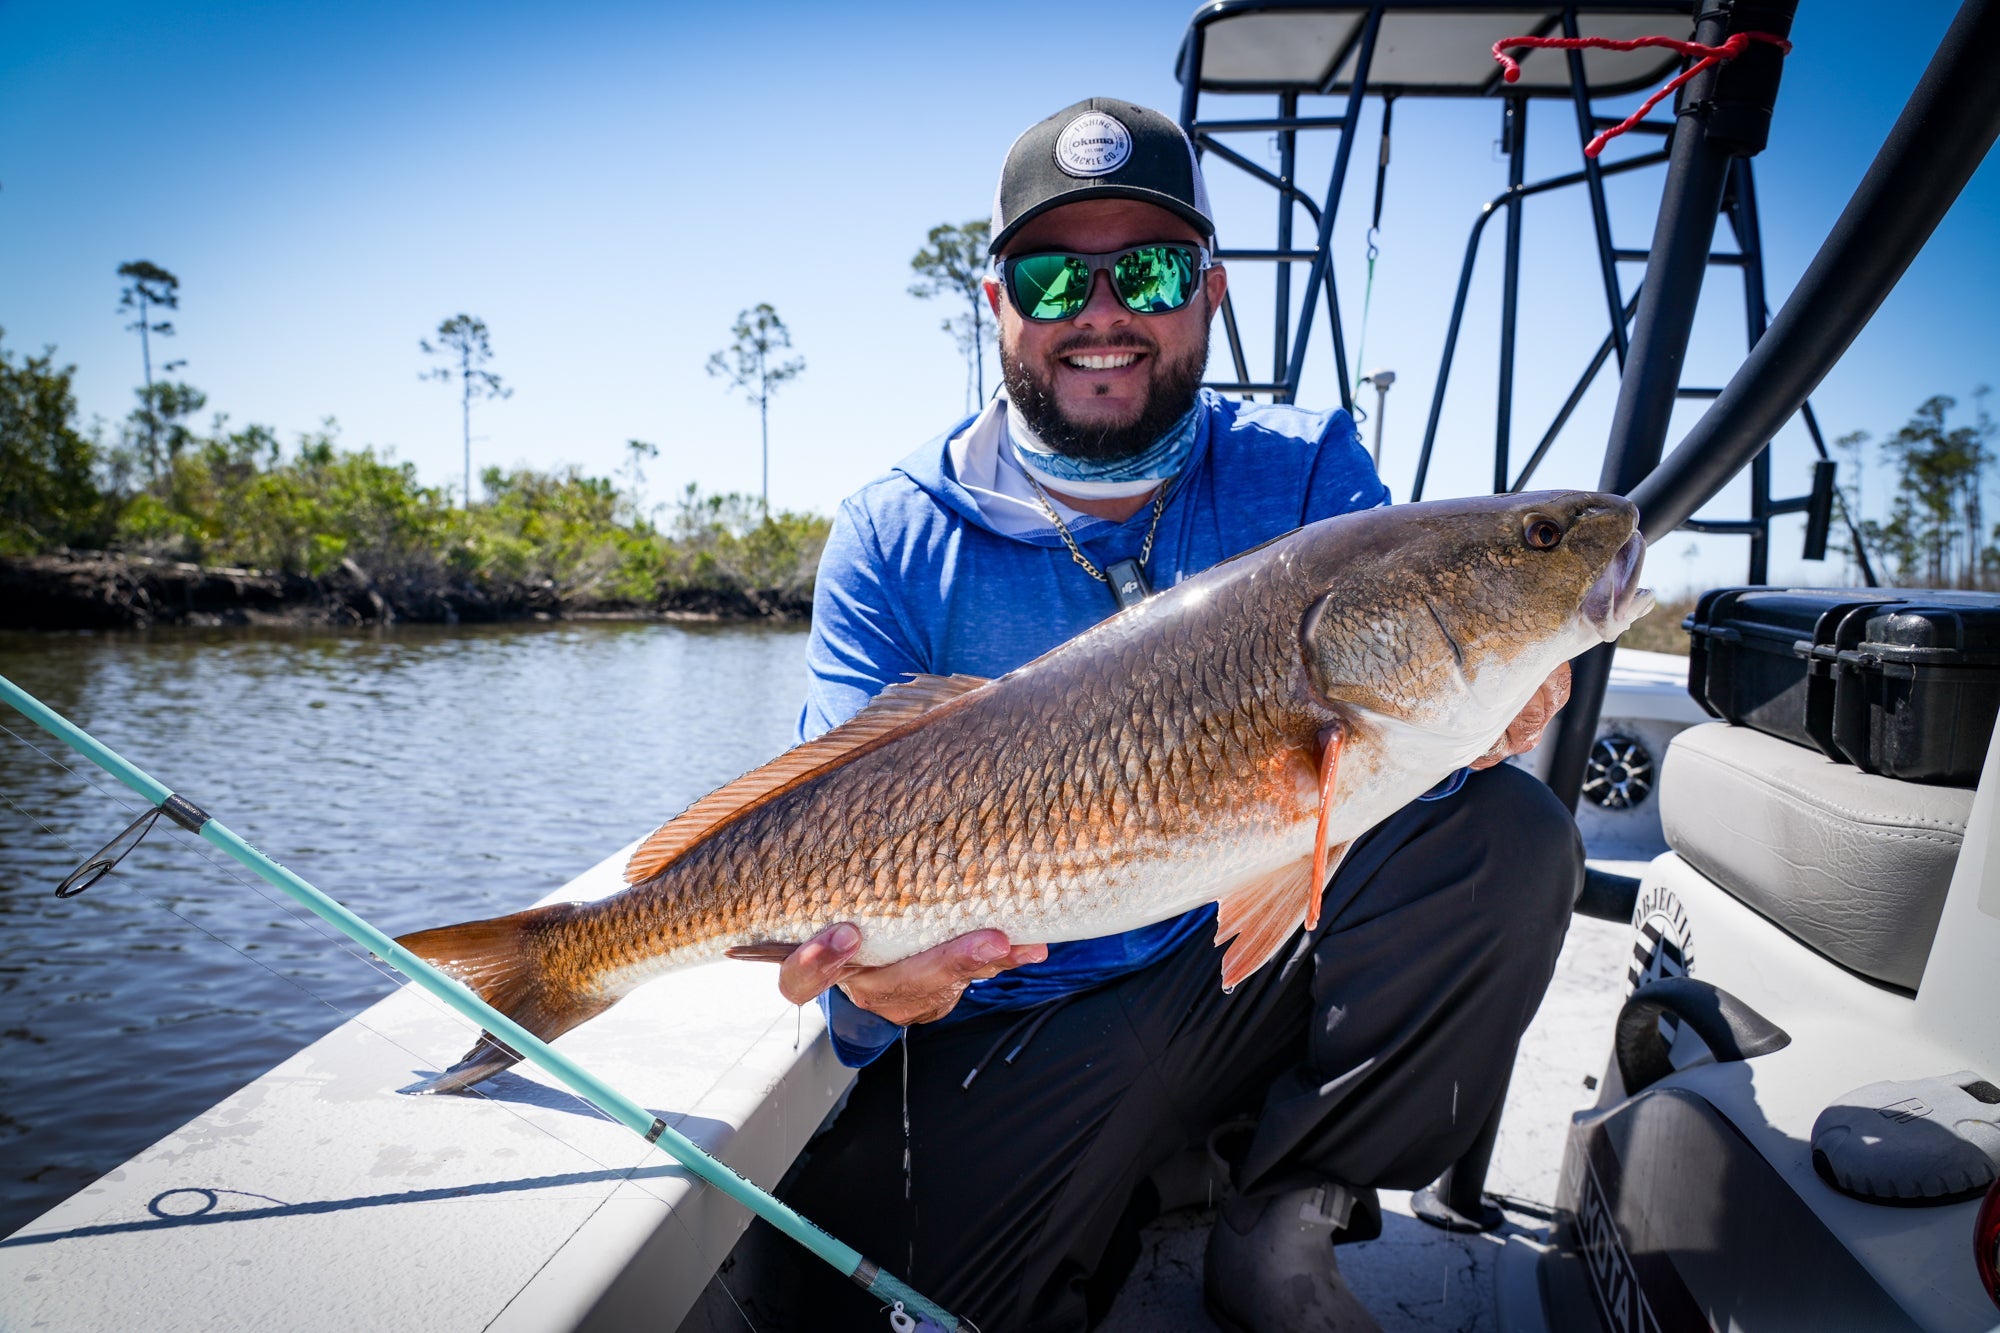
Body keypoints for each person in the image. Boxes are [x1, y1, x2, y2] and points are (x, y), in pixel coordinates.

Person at [715, 98, 1580, 1333]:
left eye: (1152, 269)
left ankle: (1287, 1210)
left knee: (1505, 835)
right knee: (847, 1312)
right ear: (996, 300)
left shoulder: (1308, 468)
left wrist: (1483, 713)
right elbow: (833, 843)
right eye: (1055, 276)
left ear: (1210, 293)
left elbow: (1391, 767)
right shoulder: (891, 537)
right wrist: (876, 986)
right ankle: (1126, 1175)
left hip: (1246, 971)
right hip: (1015, 1011)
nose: (1103, 312)